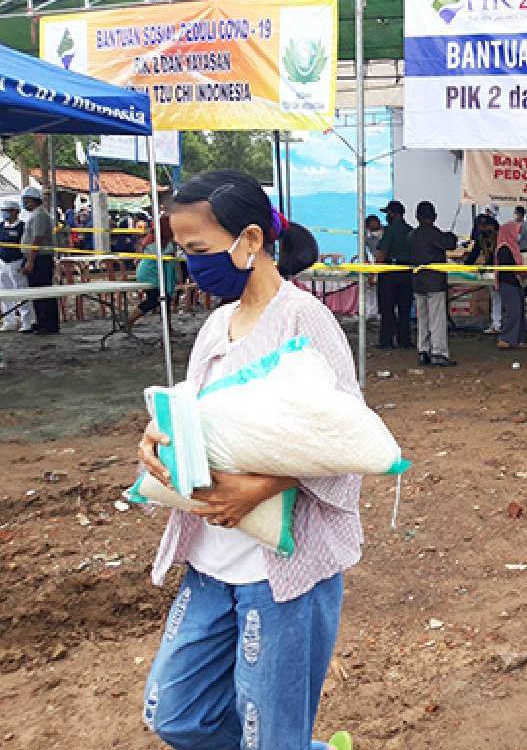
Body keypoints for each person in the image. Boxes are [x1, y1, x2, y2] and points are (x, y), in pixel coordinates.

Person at [136, 170, 355, 750]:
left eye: (199, 250)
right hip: (210, 560)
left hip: (278, 572)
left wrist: (258, 490)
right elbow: (198, 415)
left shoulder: (306, 321)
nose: (191, 265)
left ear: (250, 240)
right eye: (183, 252)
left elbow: (349, 440)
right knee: (175, 712)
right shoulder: (215, 325)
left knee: (271, 734)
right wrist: (157, 438)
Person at [408, 201, 458, 367]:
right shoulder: (433, 233)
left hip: (418, 282)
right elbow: (449, 244)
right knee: (437, 319)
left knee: (423, 318)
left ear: (417, 217)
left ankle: (423, 350)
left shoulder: (412, 235)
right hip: (434, 283)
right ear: (434, 216)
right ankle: (438, 353)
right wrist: (452, 236)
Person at [127, 219, 179, 332]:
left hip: (158, 271)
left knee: (166, 300)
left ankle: (168, 328)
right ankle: (130, 320)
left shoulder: (162, 239)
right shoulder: (156, 241)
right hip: (151, 272)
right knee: (154, 300)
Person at [375, 200, 414, 350]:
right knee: (404, 309)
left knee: (387, 308)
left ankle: (387, 341)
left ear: (393, 213)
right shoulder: (410, 230)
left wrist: (376, 271)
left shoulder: (390, 231)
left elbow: (381, 254)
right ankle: (404, 340)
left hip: (389, 272)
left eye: (388, 213)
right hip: (406, 272)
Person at [20, 185, 58, 335]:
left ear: (33, 200)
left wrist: (30, 261)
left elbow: (37, 239)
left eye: (26, 201)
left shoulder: (39, 215)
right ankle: (42, 321)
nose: (25, 204)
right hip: (36, 257)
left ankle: (47, 325)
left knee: (42, 290)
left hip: (40, 258)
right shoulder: (35, 214)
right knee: (37, 291)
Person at [0, 197, 34, 333]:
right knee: (5, 293)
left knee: (21, 292)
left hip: (17, 262)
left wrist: (26, 263)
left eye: (7, 211)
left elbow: (28, 247)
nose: (5, 213)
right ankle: (10, 321)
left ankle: (27, 322)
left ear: (16, 212)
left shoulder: (23, 227)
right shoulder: (1, 226)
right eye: (3, 211)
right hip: (2, 263)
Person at [465, 214, 502, 334]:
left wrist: (486, 266)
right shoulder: (481, 238)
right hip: (493, 271)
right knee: (496, 297)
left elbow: (496, 255)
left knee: (499, 297)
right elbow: (474, 253)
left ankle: (498, 323)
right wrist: (463, 267)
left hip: (503, 270)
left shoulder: (500, 237)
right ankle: (497, 323)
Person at [494, 219, 527, 350]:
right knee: (513, 312)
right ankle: (505, 338)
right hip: (508, 282)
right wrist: (522, 272)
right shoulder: (504, 248)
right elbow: (508, 267)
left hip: (516, 282)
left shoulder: (514, 247)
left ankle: (518, 339)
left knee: (520, 311)